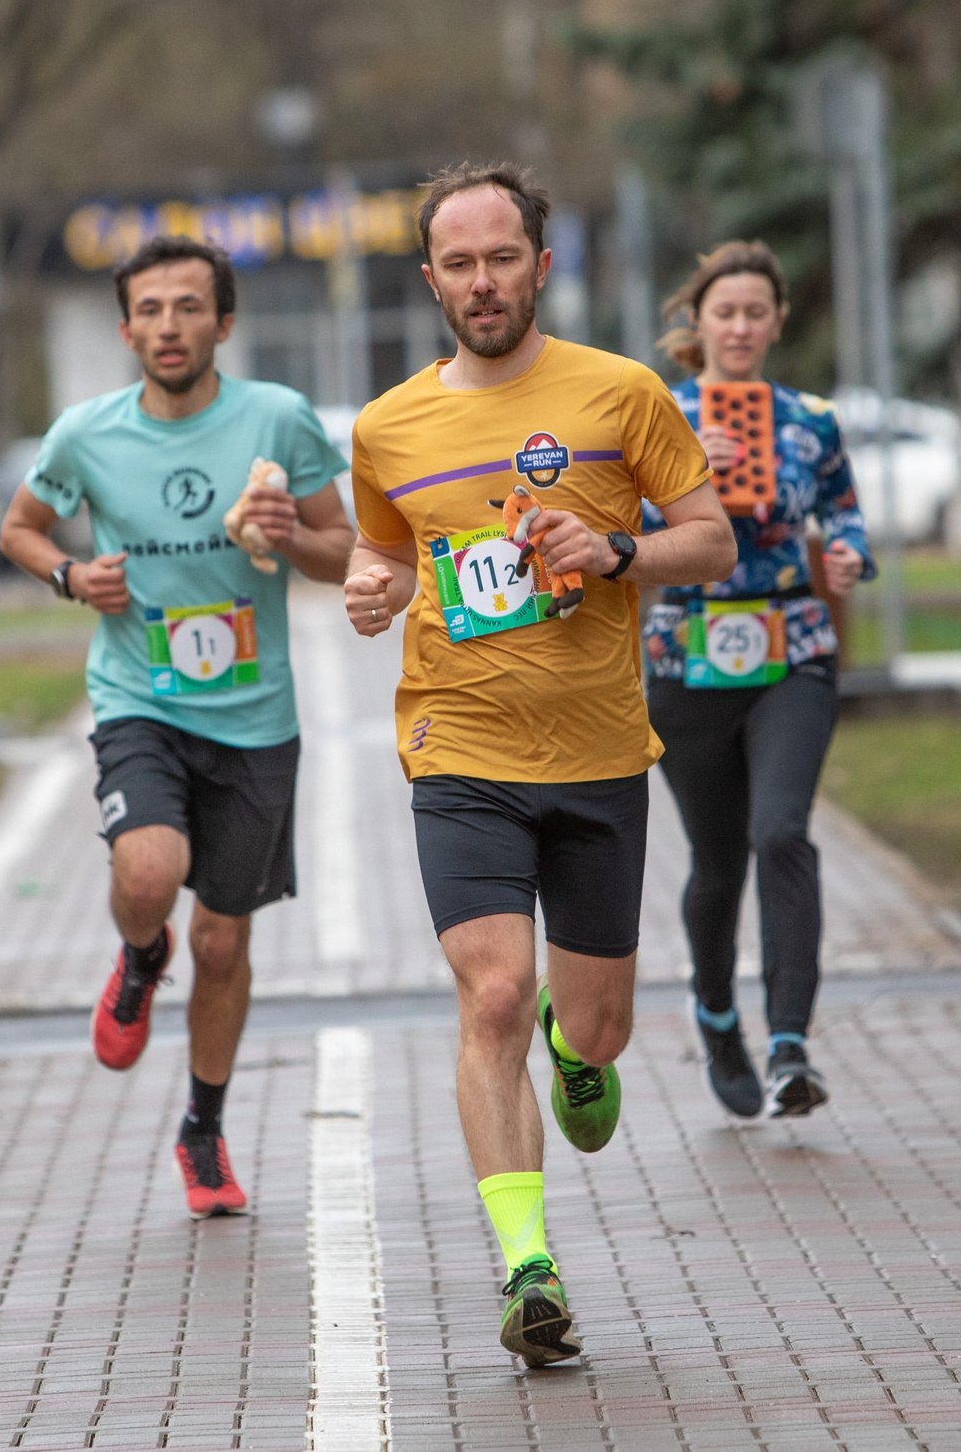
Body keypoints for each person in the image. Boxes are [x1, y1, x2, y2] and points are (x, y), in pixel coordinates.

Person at [342, 163, 736, 1367]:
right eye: (457, 264)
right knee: (493, 994)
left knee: (591, 1022)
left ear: (540, 266)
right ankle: (527, 1271)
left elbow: (711, 542)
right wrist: (375, 586)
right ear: (429, 279)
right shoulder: (387, 426)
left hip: (601, 750)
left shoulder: (621, 396)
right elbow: (390, 557)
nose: (480, 282)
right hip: (457, 747)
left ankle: (580, 1053)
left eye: (500, 258)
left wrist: (614, 549)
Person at [0, 234, 353, 1220]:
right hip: (138, 697)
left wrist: (294, 538)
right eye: (150, 310)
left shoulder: (276, 420)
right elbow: (17, 529)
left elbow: (345, 551)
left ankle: (203, 1128)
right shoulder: (86, 434)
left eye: (189, 307)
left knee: (228, 946)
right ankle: (140, 954)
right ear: (124, 330)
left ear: (223, 324)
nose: (168, 325)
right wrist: (71, 575)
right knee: (149, 875)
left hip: (254, 716)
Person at [640, 241, 874, 1121]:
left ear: (777, 322)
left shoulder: (810, 419)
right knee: (717, 857)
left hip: (792, 647)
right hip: (689, 657)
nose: (739, 326)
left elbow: (842, 507)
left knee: (781, 831)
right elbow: (617, 518)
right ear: (697, 325)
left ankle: (790, 1043)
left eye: (755, 312)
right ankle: (716, 1015)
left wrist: (848, 552)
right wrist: (677, 476)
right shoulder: (658, 412)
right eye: (723, 312)